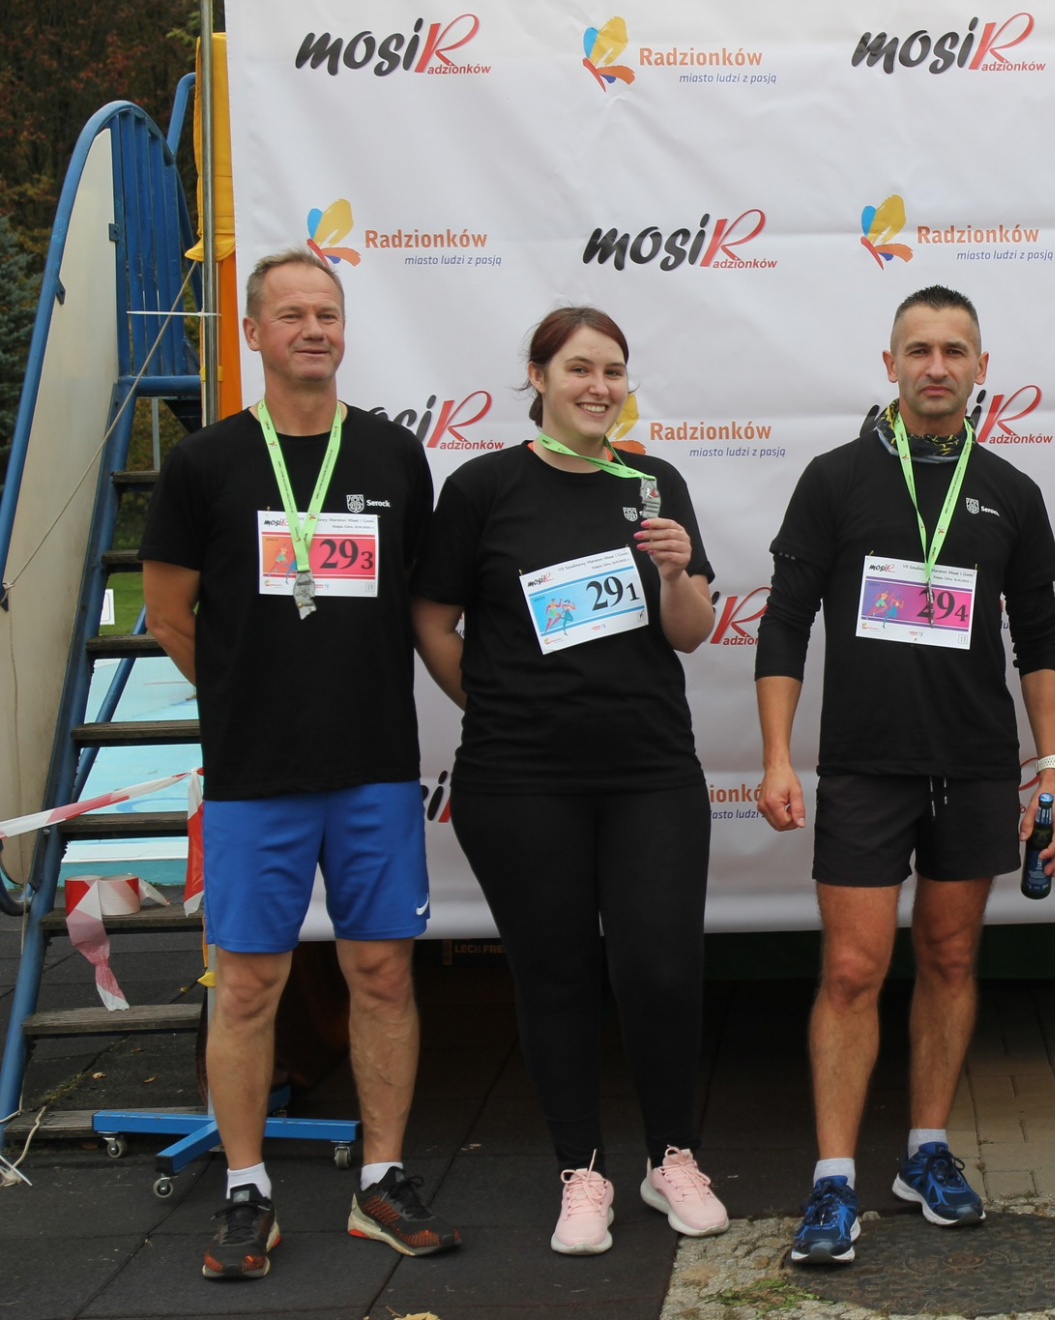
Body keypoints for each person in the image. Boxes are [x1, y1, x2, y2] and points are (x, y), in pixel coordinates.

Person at [141, 248, 459, 1280]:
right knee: (245, 986)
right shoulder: (206, 464)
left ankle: (383, 1181)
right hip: (255, 776)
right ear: (253, 333)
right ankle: (247, 1192)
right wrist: (250, 698)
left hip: (374, 767)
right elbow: (168, 614)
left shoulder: (394, 455)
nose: (313, 329)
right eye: (291, 315)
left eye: (327, 312)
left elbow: (422, 603)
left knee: (383, 973)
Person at [756, 285, 1055, 1265]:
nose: (937, 366)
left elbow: (1041, 638)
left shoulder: (1010, 489)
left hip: (974, 766)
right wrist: (777, 754)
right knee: (852, 970)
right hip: (864, 766)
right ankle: (833, 1180)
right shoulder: (836, 477)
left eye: (954, 350)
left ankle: (925, 1151)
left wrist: (1052, 769)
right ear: (889, 364)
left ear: (981, 368)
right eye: (919, 349)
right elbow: (785, 620)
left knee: (950, 960)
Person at [409, 307, 729, 1253]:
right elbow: (431, 618)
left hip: (649, 771)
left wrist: (678, 573)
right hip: (520, 779)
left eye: (614, 370)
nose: (599, 386)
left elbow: (691, 631)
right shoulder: (483, 486)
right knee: (554, 974)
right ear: (540, 377)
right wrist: (494, 703)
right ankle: (581, 1171)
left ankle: (671, 1158)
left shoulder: (654, 482)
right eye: (580, 368)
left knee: (660, 969)